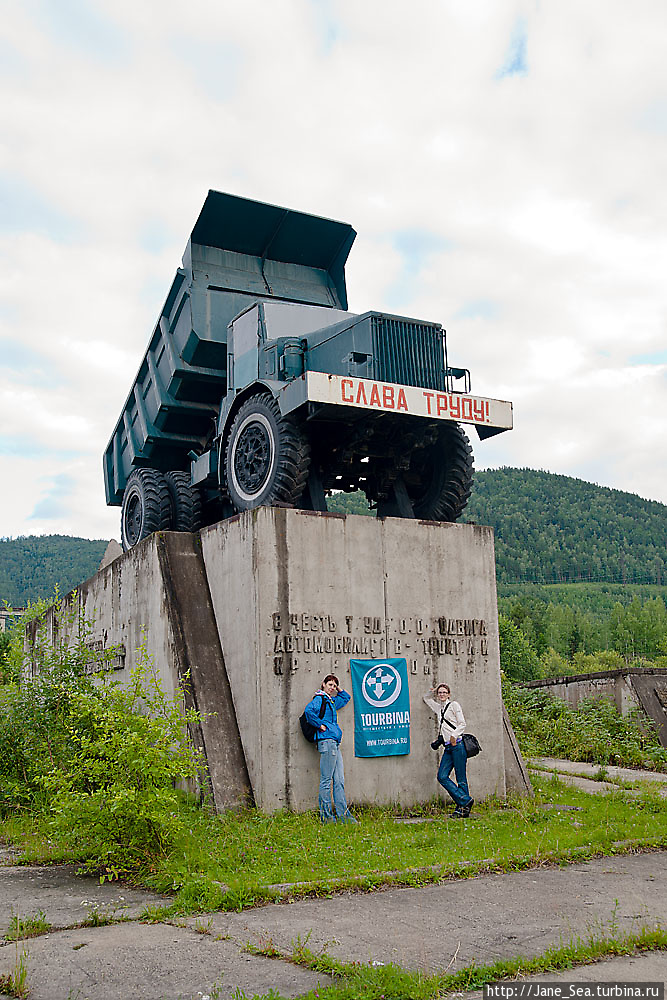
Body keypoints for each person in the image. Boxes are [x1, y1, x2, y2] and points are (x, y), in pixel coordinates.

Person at [304, 673, 357, 823]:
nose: (332, 688)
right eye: (330, 685)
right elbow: (308, 711)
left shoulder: (331, 701)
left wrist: (338, 687)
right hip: (327, 743)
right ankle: (326, 817)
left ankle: (343, 816)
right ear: (323, 684)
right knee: (326, 780)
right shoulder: (319, 699)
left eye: (334, 686)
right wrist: (320, 725)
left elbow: (346, 698)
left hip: (334, 743)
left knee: (339, 780)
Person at [423, 683, 474, 818]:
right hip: (448, 747)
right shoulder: (439, 708)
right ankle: (465, 801)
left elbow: (462, 723)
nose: (442, 695)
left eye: (444, 692)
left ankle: (462, 809)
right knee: (442, 776)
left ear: (449, 694)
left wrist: (454, 735)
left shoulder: (454, 705)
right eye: (440, 693)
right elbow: (426, 699)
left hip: (457, 745)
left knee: (461, 778)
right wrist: (431, 692)